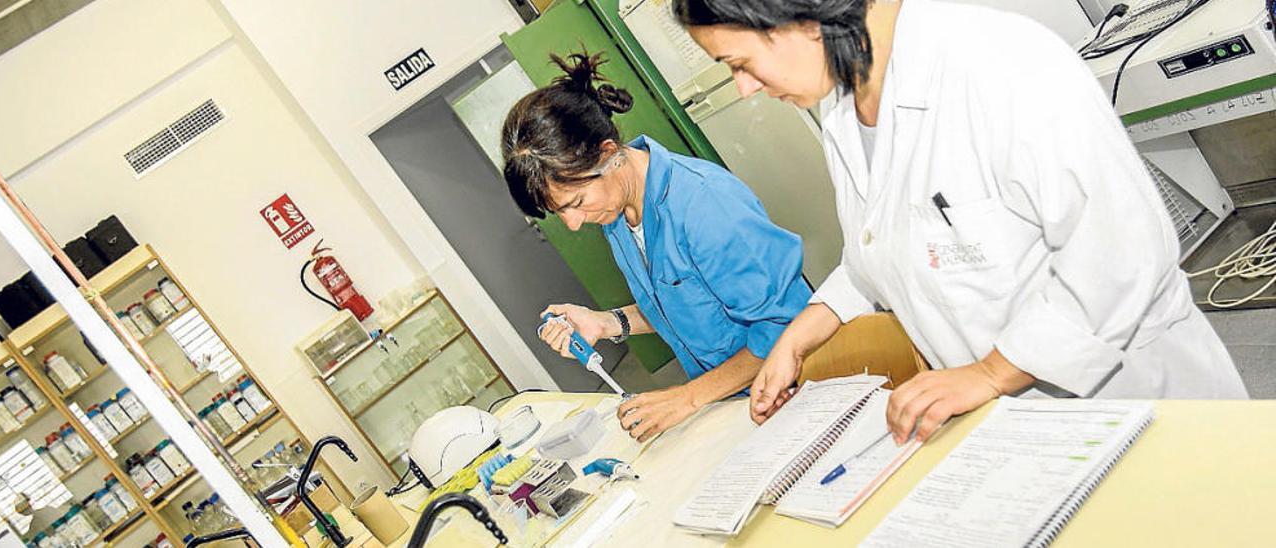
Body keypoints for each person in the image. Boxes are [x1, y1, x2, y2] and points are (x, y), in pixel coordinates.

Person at [674, 0, 1249, 443]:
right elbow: (883, 249)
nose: (745, 88)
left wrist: (993, 373)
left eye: (739, 64)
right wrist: (800, 334)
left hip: (1131, 399)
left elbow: (1122, 252)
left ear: (799, 18)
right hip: (1024, 430)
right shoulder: (843, 102)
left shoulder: (999, 64)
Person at [501, 51, 812, 442]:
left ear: (609, 155)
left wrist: (686, 398)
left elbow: (787, 323)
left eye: (576, 203)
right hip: (733, 405)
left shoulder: (704, 204)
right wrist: (607, 322)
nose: (574, 224)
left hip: (801, 388)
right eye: (558, 213)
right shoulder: (617, 214)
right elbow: (686, 304)